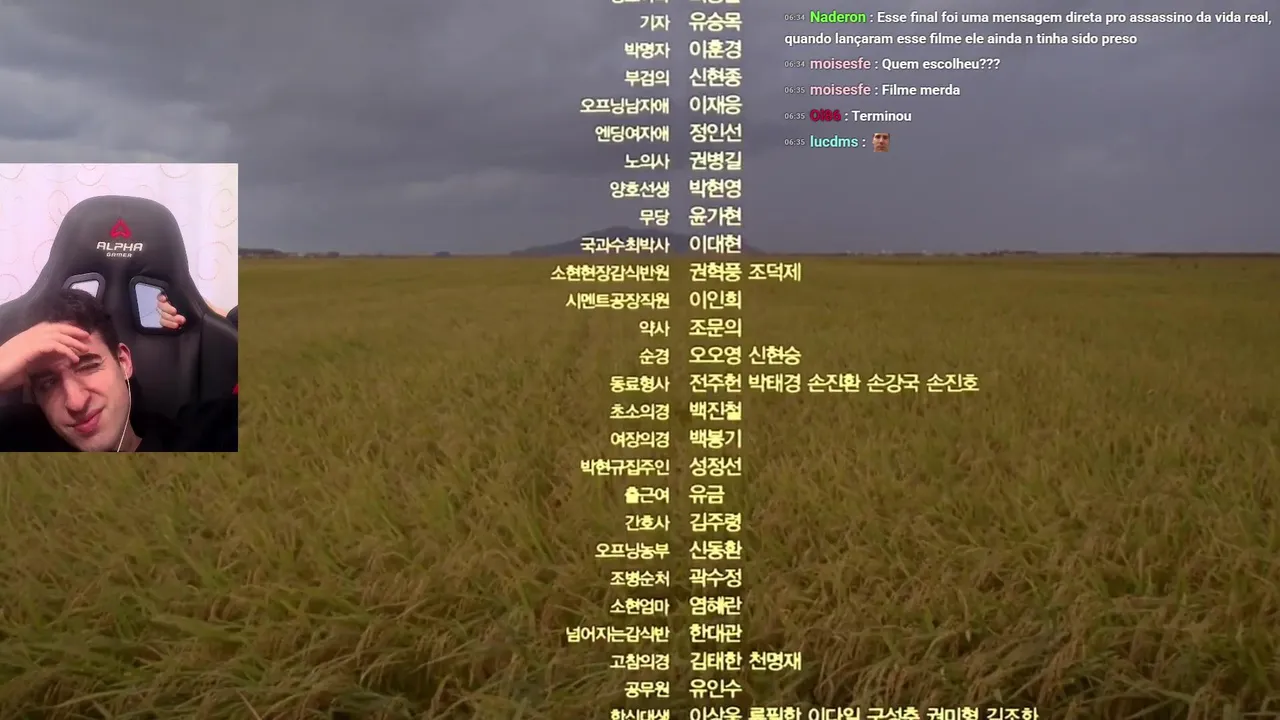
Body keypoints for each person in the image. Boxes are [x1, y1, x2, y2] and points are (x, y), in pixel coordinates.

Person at [0, 289, 236, 452]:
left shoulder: (201, 437)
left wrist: (224, 319)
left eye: (88, 366)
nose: (76, 402)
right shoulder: (17, 440)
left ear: (123, 362)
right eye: (47, 383)